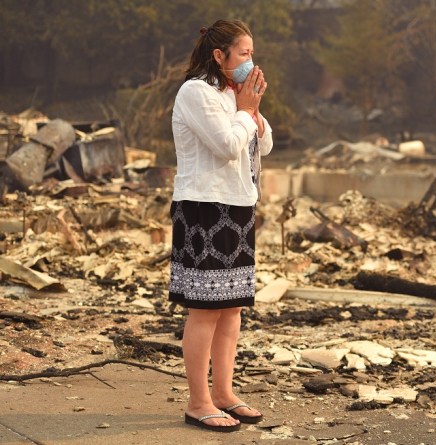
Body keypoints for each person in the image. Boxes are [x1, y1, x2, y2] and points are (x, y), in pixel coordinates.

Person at [168, 19, 272, 432]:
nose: (251, 61)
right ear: (219, 55)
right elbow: (228, 146)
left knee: (231, 309)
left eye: (252, 53)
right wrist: (246, 112)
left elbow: (262, 143)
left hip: (238, 204)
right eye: (244, 53)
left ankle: (225, 393)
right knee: (205, 310)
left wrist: (252, 109)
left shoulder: (233, 94)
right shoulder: (196, 93)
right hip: (203, 207)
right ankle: (198, 401)